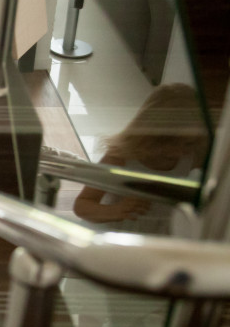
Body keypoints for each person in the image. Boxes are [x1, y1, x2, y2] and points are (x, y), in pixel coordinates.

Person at [72, 83, 208, 234]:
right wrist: (117, 210)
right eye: (169, 141)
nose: (178, 152)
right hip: (114, 235)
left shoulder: (193, 156)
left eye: (188, 143)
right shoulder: (120, 158)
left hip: (158, 237)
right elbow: (82, 206)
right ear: (150, 134)